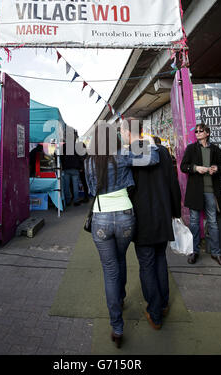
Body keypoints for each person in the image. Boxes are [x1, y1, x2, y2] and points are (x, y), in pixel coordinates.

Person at [85, 122, 159, 348]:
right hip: (126, 216)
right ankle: (122, 295)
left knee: (110, 270)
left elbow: (90, 190)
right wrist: (151, 143)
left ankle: (117, 327)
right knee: (120, 259)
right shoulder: (123, 154)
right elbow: (153, 157)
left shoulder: (89, 162)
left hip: (101, 219)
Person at [121, 119, 181, 330]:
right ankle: (163, 304)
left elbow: (127, 187)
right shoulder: (162, 151)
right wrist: (175, 212)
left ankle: (155, 313)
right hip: (162, 214)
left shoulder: (128, 155)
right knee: (160, 259)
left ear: (128, 133)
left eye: (122, 132)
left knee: (147, 264)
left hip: (142, 217)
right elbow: (173, 183)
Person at [180, 123, 221, 267]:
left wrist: (216, 168)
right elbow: (184, 166)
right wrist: (196, 168)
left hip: (211, 191)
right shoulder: (191, 149)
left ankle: (216, 253)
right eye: (196, 131)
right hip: (195, 192)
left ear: (207, 133)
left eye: (201, 131)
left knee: (213, 223)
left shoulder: (216, 150)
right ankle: (194, 251)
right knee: (194, 223)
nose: (198, 133)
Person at [61, 141, 82, 207]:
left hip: (66, 168)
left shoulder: (64, 146)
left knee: (66, 186)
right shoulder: (77, 146)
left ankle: (67, 201)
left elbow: (60, 156)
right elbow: (80, 157)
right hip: (75, 169)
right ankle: (76, 201)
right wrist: (81, 167)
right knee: (75, 186)